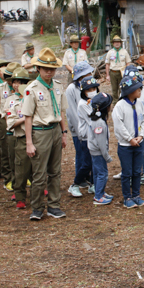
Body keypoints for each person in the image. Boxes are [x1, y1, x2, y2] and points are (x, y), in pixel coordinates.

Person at [22, 48, 69, 221]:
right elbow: (27, 117)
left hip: (55, 130)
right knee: (39, 174)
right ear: (38, 69)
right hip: (40, 132)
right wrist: (29, 142)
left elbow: (61, 112)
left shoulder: (58, 87)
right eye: (45, 68)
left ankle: (54, 206)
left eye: (52, 68)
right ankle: (37, 207)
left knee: (55, 171)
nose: (49, 72)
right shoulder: (32, 89)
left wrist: (63, 133)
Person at [112, 75, 144, 208]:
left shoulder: (140, 104)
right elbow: (119, 126)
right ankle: (127, 197)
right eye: (137, 89)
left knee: (137, 171)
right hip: (125, 146)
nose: (140, 91)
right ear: (129, 91)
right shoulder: (119, 107)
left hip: (138, 144)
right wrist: (129, 139)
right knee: (127, 173)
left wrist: (141, 135)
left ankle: (136, 195)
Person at [66, 61, 95, 198]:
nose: (89, 75)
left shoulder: (88, 87)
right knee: (81, 154)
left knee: (90, 156)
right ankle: (79, 180)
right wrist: (80, 132)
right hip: (80, 130)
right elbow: (72, 112)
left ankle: (90, 180)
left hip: (91, 129)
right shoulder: (72, 89)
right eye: (86, 74)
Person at [123, 65, 144, 185]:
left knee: (143, 152)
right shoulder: (127, 97)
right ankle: (132, 172)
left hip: (143, 130)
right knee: (130, 151)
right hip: (130, 130)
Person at [5, 68, 32, 209]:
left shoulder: (31, 96)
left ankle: (38, 192)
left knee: (37, 167)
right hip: (20, 136)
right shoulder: (11, 101)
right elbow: (10, 122)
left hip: (34, 135)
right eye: (15, 82)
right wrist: (25, 118)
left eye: (20, 82)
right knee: (20, 169)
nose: (17, 85)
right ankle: (20, 196)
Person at [0, 62, 21, 191]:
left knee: (20, 149)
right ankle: (8, 178)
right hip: (4, 120)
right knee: (5, 150)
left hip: (20, 121)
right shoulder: (0, 88)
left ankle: (22, 176)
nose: (12, 82)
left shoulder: (23, 89)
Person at [87, 93, 115, 205]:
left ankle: (101, 192)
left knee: (97, 172)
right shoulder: (100, 123)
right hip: (98, 153)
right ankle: (98, 196)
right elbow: (101, 143)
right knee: (102, 174)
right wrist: (107, 157)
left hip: (95, 152)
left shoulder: (95, 120)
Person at [105, 35, 130, 104]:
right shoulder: (110, 52)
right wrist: (107, 75)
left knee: (122, 87)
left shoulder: (124, 52)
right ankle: (115, 102)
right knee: (114, 89)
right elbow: (107, 64)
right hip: (113, 72)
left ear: (120, 43)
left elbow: (128, 63)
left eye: (118, 42)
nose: (117, 43)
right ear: (113, 43)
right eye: (115, 42)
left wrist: (126, 72)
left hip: (122, 73)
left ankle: (122, 101)